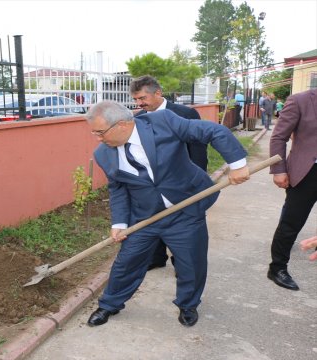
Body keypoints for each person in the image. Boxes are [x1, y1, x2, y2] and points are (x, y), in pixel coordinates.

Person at [84, 101, 249, 328]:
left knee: (191, 262)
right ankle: (109, 304)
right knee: (127, 262)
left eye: (100, 132)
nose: (98, 138)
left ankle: (188, 304)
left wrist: (237, 164)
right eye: (94, 133)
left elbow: (213, 130)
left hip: (185, 209)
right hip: (145, 217)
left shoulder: (163, 122)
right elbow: (118, 188)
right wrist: (120, 222)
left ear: (122, 124)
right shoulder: (103, 154)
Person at [129, 75, 208, 271]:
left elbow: (197, 150)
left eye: (142, 98)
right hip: (153, 183)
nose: (139, 103)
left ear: (158, 93)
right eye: (136, 100)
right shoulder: (139, 118)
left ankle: (181, 263)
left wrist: (197, 183)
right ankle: (156, 257)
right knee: (154, 219)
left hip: (182, 182)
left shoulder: (186, 114)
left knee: (183, 225)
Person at [267, 88, 317, 291]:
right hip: (307, 173)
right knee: (290, 223)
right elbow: (279, 137)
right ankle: (277, 268)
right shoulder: (300, 100)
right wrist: (279, 170)